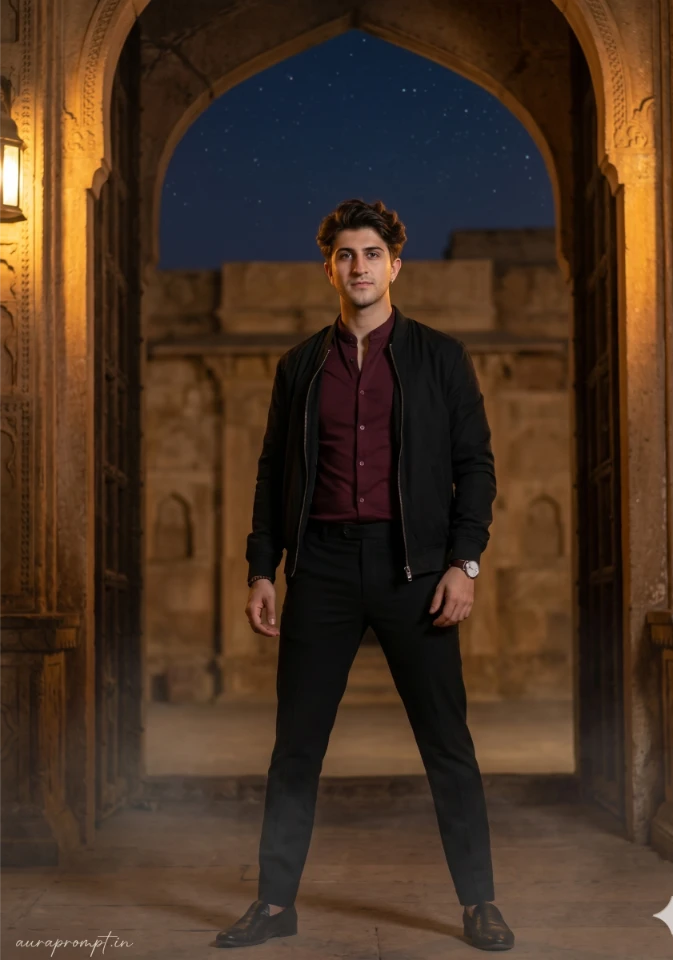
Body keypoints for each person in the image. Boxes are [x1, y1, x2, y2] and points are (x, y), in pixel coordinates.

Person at [213, 199, 514, 952]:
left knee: (447, 743)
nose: (359, 268)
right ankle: (275, 906)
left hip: (413, 571)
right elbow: (272, 473)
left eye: (371, 254)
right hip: (320, 569)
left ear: (394, 265)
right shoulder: (299, 367)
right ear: (329, 268)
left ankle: (479, 902)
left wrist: (463, 563)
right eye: (345, 255)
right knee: (296, 748)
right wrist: (261, 570)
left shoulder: (439, 357)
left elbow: (475, 469)